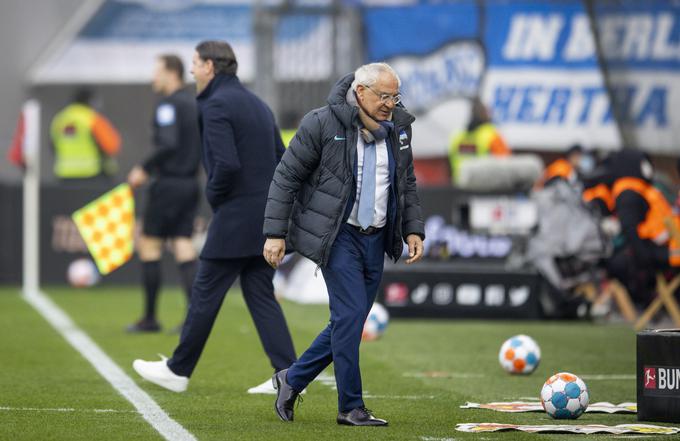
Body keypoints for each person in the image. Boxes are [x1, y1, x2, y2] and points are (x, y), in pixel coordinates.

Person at [263, 62, 425, 426]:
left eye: (395, 97)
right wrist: (275, 234)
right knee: (350, 318)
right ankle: (350, 407)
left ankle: (293, 378)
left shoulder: (400, 129)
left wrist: (413, 229)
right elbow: (285, 177)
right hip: (338, 236)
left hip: (377, 237)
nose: (390, 104)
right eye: (384, 96)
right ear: (361, 91)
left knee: (347, 321)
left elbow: (407, 183)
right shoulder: (321, 122)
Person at [132, 40, 297, 394]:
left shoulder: (216, 104)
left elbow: (225, 164)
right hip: (266, 216)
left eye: (195, 63)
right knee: (260, 294)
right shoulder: (257, 103)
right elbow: (282, 157)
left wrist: (215, 198)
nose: (191, 70)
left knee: (205, 292)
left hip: (235, 214)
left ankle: (177, 370)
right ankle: (290, 375)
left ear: (209, 66)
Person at [126, 54, 201, 333]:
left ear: (172, 73)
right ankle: (194, 320)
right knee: (183, 244)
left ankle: (149, 318)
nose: (152, 78)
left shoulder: (168, 105)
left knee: (149, 245)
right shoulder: (195, 103)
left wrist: (143, 168)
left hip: (168, 183)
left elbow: (168, 143)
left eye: (156, 71)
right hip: (190, 183)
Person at [607, 149, 680, 305]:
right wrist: (644, 256)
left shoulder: (641, 188)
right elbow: (631, 229)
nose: (648, 167)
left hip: (668, 246)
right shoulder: (629, 192)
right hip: (657, 250)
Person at [50, 88, 121, 179]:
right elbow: (112, 146)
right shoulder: (92, 119)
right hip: (92, 175)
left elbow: (52, 145)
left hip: (64, 175)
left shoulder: (60, 119)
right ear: (91, 101)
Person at [448, 97, 509, 184]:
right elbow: (506, 165)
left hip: (461, 188)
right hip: (487, 190)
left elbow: (449, 168)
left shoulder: (457, 137)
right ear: (485, 113)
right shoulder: (491, 135)